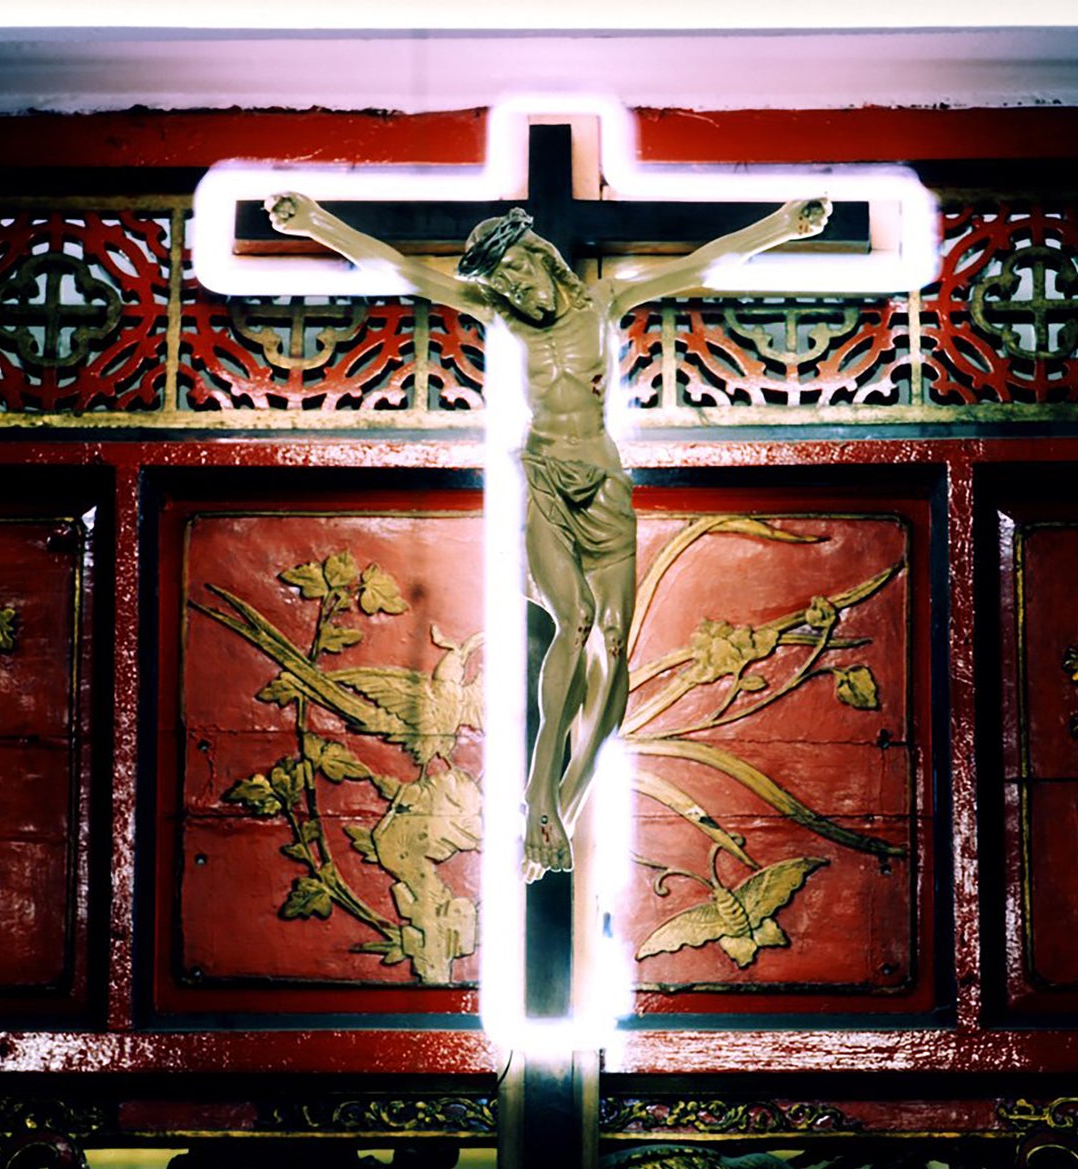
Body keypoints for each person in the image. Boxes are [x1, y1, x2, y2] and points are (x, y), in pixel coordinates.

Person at [265, 193, 832, 882]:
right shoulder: (497, 315)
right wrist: (316, 222)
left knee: (614, 648)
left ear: (540, 258)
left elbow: (703, 266)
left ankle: (562, 804)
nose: (512, 290)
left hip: (604, 485)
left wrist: (782, 225)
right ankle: (538, 794)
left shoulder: (606, 301)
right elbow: (400, 271)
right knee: (578, 619)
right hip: (544, 480)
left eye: (515, 273)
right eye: (500, 284)